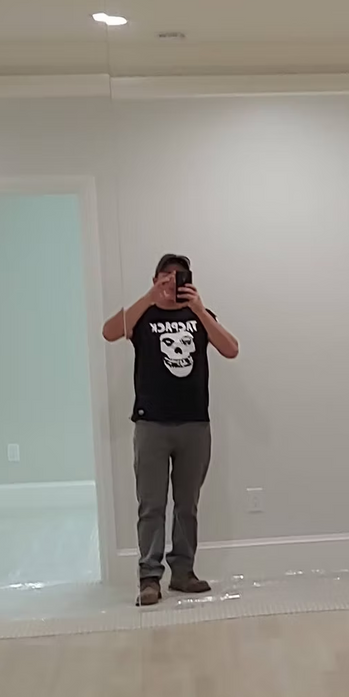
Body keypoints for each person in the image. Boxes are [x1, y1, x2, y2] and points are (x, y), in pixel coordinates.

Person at [103, 253, 239, 605]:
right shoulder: (144, 316)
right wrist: (149, 298)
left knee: (187, 504)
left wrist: (199, 309)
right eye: (165, 276)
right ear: (155, 279)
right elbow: (110, 331)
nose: (171, 282)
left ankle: (183, 572)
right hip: (151, 424)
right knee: (151, 504)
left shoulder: (199, 316)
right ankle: (149, 577)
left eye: (178, 276)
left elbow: (231, 349)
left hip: (194, 423)